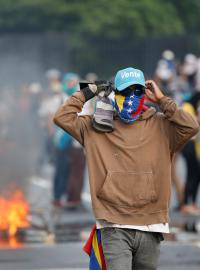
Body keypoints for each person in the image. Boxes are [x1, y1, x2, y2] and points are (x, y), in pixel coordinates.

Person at [53, 67, 199, 270]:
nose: (132, 97)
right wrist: (89, 91)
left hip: (151, 225)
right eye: (125, 92)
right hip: (113, 224)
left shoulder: (161, 125)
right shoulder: (96, 126)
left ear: (145, 94)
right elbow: (62, 117)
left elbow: (191, 126)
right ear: (115, 94)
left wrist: (162, 100)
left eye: (138, 92)